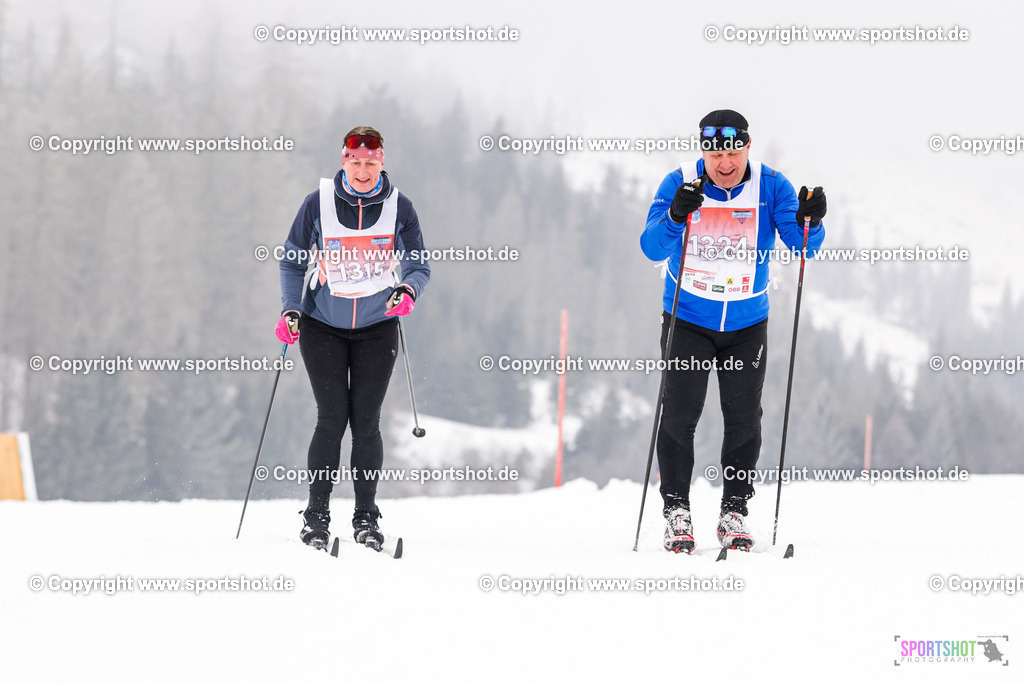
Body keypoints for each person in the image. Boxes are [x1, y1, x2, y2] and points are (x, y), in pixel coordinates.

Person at [640, 109, 826, 553]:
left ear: (747, 146)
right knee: (681, 414)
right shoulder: (680, 182)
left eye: (732, 152)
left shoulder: (772, 185)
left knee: (744, 419)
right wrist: (675, 217)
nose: (723, 163)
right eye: (714, 152)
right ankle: (677, 513)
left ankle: (734, 511)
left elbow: (800, 246)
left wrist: (811, 221)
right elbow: (650, 247)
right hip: (687, 318)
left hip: (746, 323)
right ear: (702, 150)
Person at [277, 126, 430, 550]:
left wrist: (408, 291)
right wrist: (290, 309)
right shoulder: (318, 203)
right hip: (322, 323)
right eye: (355, 161)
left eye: (371, 162)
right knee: (331, 419)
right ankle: (317, 514)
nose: (363, 171)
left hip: (377, 328)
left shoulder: (401, 207)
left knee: (366, 423)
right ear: (344, 160)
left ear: (382, 162)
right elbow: (291, 261)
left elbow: (419, 265)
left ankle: (366, 517)